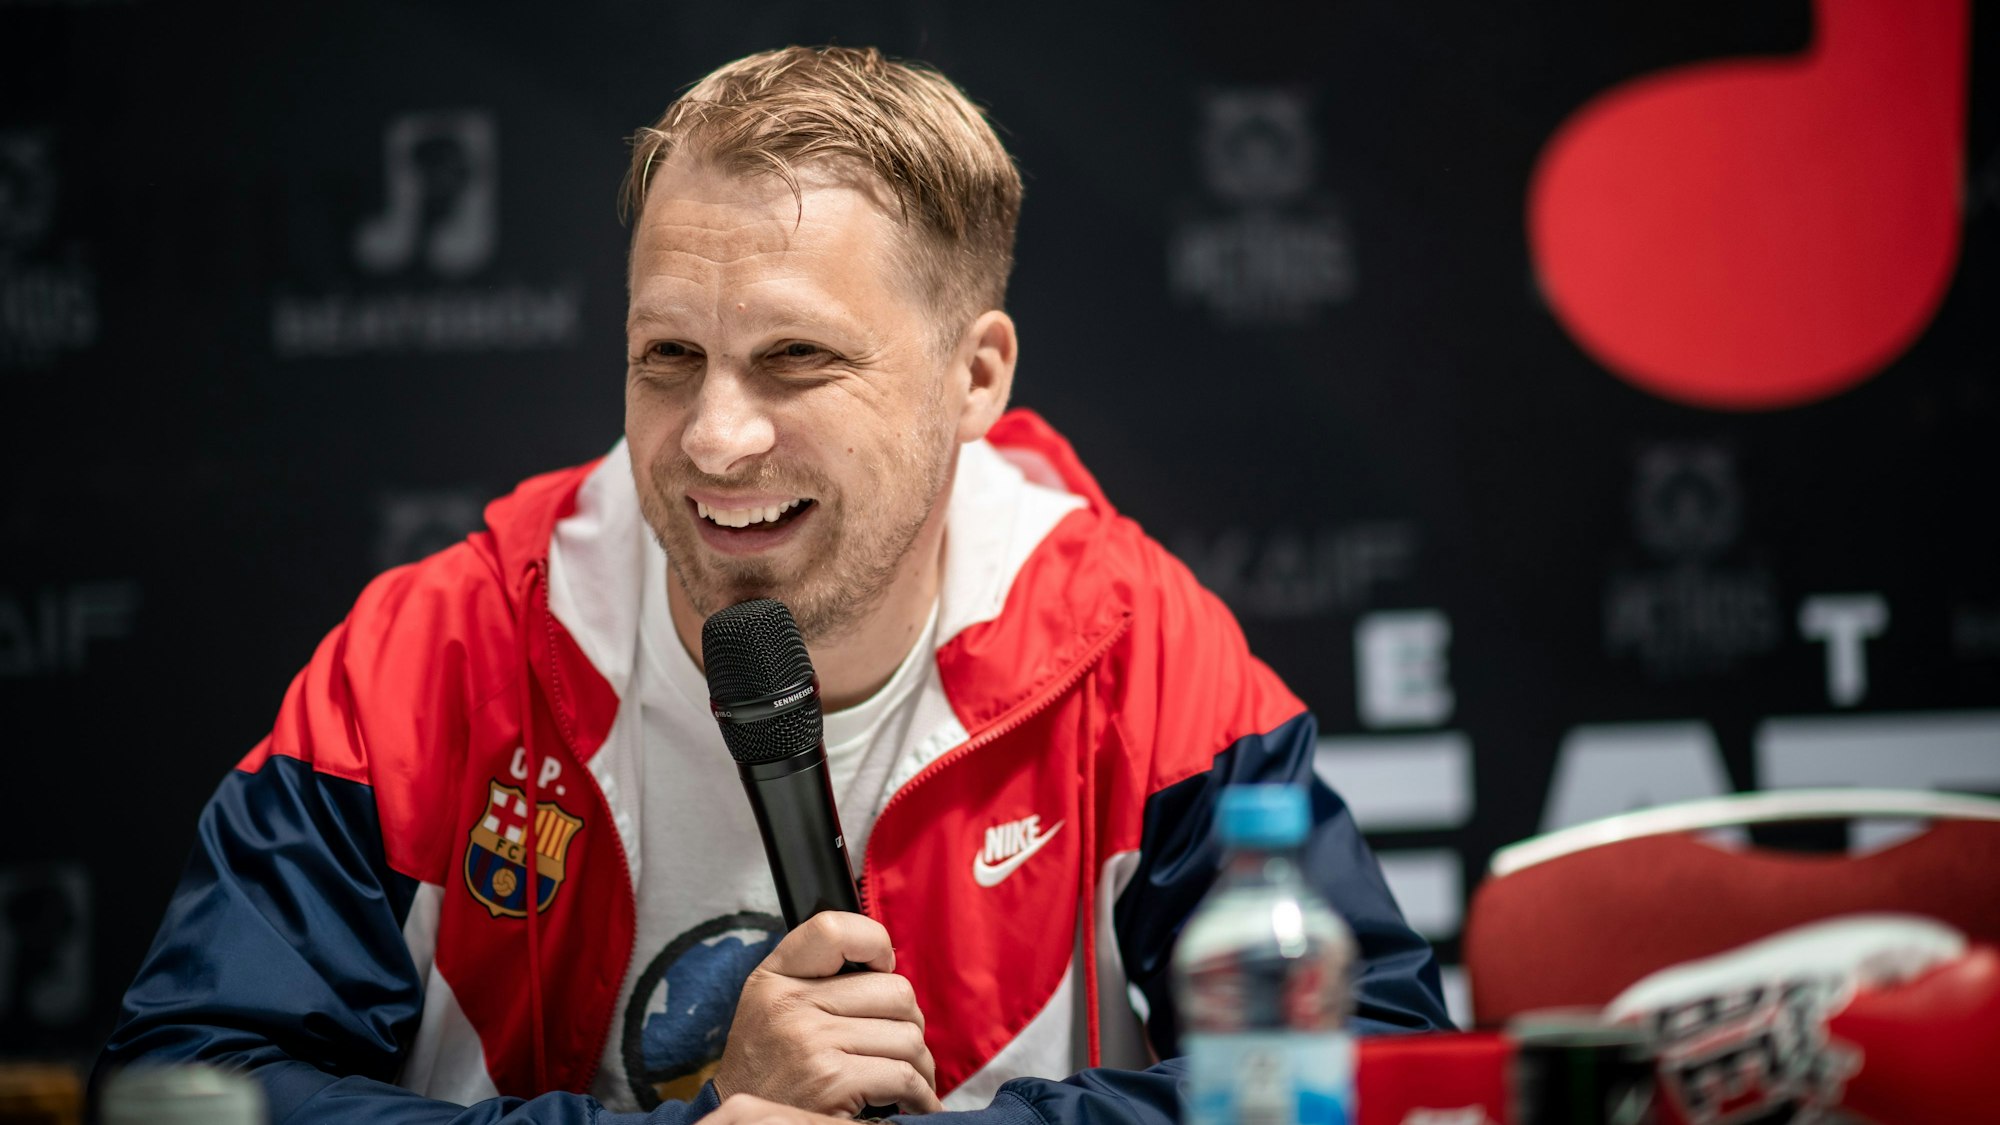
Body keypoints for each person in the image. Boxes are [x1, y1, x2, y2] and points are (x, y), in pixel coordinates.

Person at [101, 45, 1449, 1125]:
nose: (714, 438)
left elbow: (1378, 1072)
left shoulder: (1131, 647)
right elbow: (185, 1086)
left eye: (797, 359)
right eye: (669, 357)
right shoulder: (443, 648)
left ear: (976, 376)